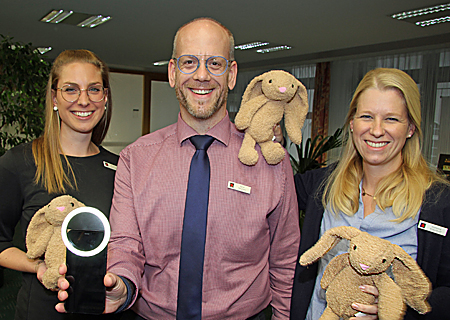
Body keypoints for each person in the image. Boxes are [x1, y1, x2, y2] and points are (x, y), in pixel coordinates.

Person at [57, 17, 300, 319]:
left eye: (214, 63)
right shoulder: (136, 159)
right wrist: (121, 285)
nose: (201, 75)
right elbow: (126, 243)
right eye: (189, 63)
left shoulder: (269, 161)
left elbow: (285, 258)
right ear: (172, 72)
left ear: (232, 74)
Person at [290, 68, 450, 320]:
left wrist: (398, 308)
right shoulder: (322, 184)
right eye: (366, 116)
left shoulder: (438, 202)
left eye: (391, 119)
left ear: (410, 128)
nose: (376, 130)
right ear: (352, 123)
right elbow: (267, 188)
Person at [0, 49, 120, 320]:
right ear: (54, 98)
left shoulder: (120, 167)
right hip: (41, 311)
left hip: (103, 308)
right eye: (70, 89)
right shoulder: (20, 162)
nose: (84, 100)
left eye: (94, 89)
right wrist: (38, 267)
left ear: (105, 97)